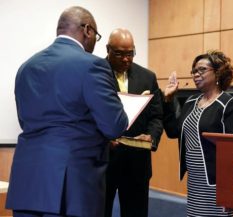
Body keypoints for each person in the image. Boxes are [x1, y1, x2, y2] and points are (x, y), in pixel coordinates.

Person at [6, 6, 128, 217]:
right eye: (96, 36)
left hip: (27, 181)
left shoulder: (26, 68)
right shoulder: (92, 66)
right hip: (71, 185)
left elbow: (26, 120)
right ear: (88, 30)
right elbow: (115, 125)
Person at [162, 50, 233, 217]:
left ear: (218, 72)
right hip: (195, 179)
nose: (196, 74)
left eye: (201, 70)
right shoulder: (191, 101)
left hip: (218, 180)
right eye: (194, 71)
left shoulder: (229, 104)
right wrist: (169, 101)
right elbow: (173, 132)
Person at [104, 28, 163, 217]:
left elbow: (156, 116)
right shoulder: (94, 73)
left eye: (130, 54)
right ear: (108, 50)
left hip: (137, 162)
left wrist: (151, 137)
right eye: (119, 54)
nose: (125, 59)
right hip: (104, 161)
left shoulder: (148, 77)